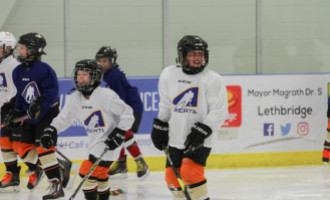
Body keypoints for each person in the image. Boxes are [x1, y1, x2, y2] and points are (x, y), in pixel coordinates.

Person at [40, 59, 134, 200]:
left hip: (110, 143)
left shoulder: (106, 95)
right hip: (94, 144)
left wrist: (120, 132)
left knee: (86, 172)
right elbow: (63, 119)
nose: (80, 78)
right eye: (78, 74)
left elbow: (127, 113)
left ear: (94, 77)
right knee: (100, 176)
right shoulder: (75, 98)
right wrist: (52, 129)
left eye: (84, 74)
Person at [151, 35, 228, 200]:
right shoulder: (169, 74)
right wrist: (160, 126)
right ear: (182, 56)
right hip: (176, 136)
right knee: (172, 178)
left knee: (190, 174)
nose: (198, 58)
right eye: (193, 54)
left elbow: (219, 111)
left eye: (200, 54)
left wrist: (201, 132)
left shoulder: (213, 80)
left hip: (200, 139)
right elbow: (165, 104)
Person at [4, 32, 67, 199]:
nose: (20, 50)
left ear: (33, 50)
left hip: (47, 115)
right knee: (20, 147)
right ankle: (57, 166)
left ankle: (56, 184)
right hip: (29, 116)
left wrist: (40, 105)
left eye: (23, 48)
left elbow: (52, 94)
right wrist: (16, 110)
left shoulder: (45, 70)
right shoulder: (17, 71)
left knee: (44, 148)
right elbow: (20, 94)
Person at [95, 46, 149, 180]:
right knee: (119, 134)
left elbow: (120, 98)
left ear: (112, 61)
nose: (102, 64)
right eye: (100, 61)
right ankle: (121, 164)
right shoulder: (109, 74)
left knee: (124, 134)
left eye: (105, 61)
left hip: (131, 108)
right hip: (128, 107)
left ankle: (140, 162)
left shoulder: (114, 75)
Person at [0, 31, 22, 192]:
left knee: (21, 145)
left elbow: (20, 90)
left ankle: (52, 168)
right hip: (3, 110)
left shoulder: (13, 65)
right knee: (5, 143)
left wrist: (16, 109)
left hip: (13, 110)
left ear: (8, 48)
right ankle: (12, 175)